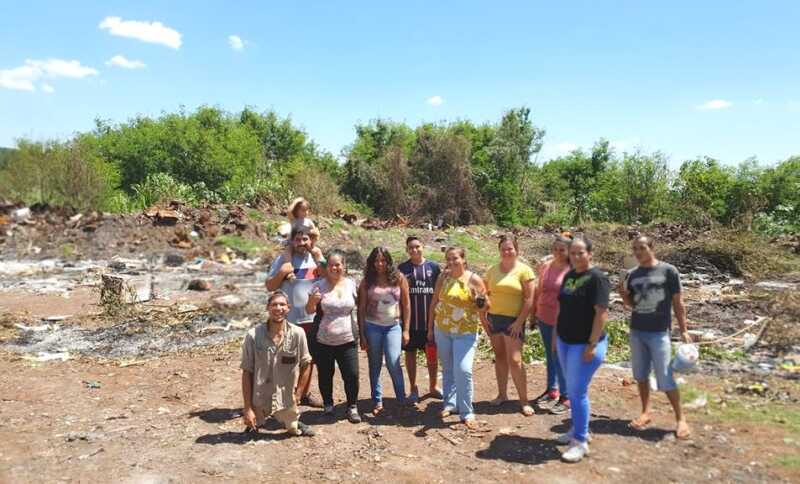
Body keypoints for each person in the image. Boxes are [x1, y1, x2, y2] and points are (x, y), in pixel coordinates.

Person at [620, 236, 692, 439]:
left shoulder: (669, 271)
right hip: (637, 331)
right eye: (635, 249)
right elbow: (633, 305)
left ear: (652, 248)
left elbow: (678, 303)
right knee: (641, 375)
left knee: (665, 377)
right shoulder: (632, 274)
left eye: (642, 248)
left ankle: (680, 419)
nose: (638, 252)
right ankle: (645, 412)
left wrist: (683, 329)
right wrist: (624, 295)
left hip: (660, 333)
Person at [553, 237, 610, 463]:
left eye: (580, 253)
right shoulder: (570, 276)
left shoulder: (597, 278)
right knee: (573, 389)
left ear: (590, 254)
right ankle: (577, 428)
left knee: (577, 392)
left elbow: (601, 313)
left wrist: (592, 344)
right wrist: (556, 336)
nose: (576, 257)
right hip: (566, 341)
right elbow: (562, 308)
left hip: (584, 344)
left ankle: (580, 441)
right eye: (573, 253)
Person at [427, 247, 487, 430]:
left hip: (465, 332)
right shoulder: (443, 277)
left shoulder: (474, 279)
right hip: (442, 329)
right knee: (448, 369)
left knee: (464, 370)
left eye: (455, 258)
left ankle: (467, 411)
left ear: (463, 259)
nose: (452, 262)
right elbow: (434, 302)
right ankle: (450, 403)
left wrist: (480, 301)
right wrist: (430, 328)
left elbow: (486, 305)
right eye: (449, 259)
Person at [241, 290, 315, 437]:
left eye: (282, 304)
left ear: (288, 308)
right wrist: (247, 408)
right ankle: (254, 420)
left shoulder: (297, 334)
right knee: (252, 428)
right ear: (267, 308)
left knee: (293, 429)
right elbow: (246, 372)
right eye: (274, 305)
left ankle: (293, 420)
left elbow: (306, 364)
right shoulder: (253, 335)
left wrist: (299, 394)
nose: (278, 308)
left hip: (286, 396)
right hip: (260, 395)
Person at [266, 227, 322, 407]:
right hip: (289, 321)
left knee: (310, 359)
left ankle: (303, 393)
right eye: (297, 240)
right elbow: (269, 285)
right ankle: (283, 396)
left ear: (310, 240)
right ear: (291, 242)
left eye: (304, 239)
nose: (301, 243)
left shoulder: (316, 260)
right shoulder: (282, 260)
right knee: (286, 360)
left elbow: (331, 277)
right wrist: (282, 272)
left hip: (312, 319)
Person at [305, 250, 361, 423]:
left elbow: (361, 306)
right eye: (331, 265)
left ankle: (352, 406)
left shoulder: (351, 284)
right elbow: (309, 310)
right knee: (325, 373)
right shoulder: (318, 286)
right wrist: (313, 301)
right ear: (326, 267)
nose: (334, 268)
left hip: (348, 337)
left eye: (338, 264)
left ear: (344, 266)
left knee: (351, 374)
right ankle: (328, 405)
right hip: (323, 339)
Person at [485, 234, 536, 416]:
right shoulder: (492, 271)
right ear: (499, 251)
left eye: (510, 249)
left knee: (515, 360)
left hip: (513, 321)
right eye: (503, 249)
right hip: (494, 319)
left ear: (516, 250)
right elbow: (484, 296)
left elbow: (530, 299)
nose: (507, 252)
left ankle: (524, 400)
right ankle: (502, 394)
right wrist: (484, 319)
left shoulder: (525, 271)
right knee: (499, 357)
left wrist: (519, 322)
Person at [357, 247, 411, 415]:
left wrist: (406, 330)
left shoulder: (399, 278)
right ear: (372, 262)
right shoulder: (367, 281)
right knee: (374, 364)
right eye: (376, 260)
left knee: (393, 362)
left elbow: (406, 305)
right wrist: (362, 333)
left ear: (388, 261)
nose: (380, 264)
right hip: (372, 326)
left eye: (383, 260)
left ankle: (401, 399)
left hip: (393, 326)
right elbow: (361, 308)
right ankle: (377, 399)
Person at [531, 233, 572, 415]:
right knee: (550, 355)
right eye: (555, 249)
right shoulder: (546, 267)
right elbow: (539, 290)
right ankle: (552, 389)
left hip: (562, 320)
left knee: (560, 356)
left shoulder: (572, 271)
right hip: (544, 317)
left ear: (569, 251)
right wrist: (533, 315)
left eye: (561, 250)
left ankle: (566, 396)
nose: (557, 252)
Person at [398, 236, 442, 402]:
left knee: (432, 354)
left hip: (430, 322)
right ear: (407, 250)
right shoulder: (403, 268)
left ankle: (433, 386)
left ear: (423, 246)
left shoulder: (433, 267)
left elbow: (439, 293)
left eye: (417, 246)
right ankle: (413, 388)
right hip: (411, 323)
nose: (414, 250)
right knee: (410, 354)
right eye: (411, 247)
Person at [281, 198, 324, 265]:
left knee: (317, 251)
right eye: (303, 210)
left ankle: (323, 267)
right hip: (294, 242)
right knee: (287, 251)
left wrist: (313, 242)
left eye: (307, 210)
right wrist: (298, 200)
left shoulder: (308, 222)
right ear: (297, 211)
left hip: (306, 243)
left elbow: (315, 233)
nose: (306, 212)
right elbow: (289, 211)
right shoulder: (294, 220)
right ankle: (288, 265)